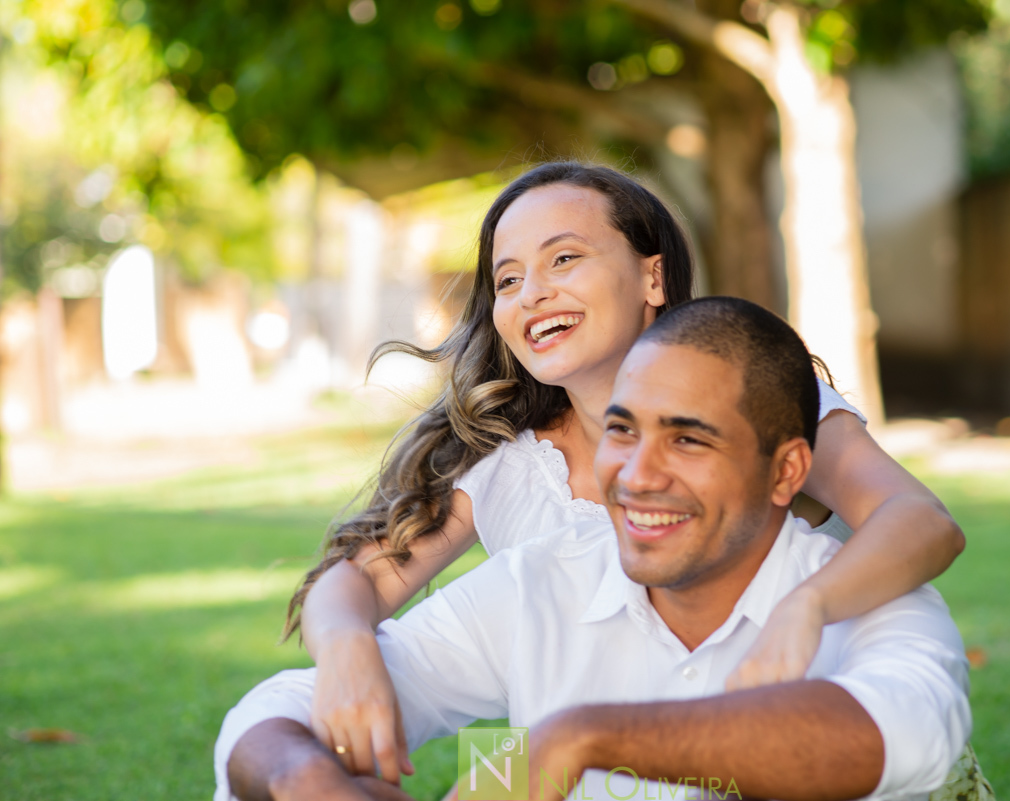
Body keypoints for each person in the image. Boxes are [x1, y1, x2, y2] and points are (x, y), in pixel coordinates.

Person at [290, 162, 968, 783]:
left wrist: (808, 607)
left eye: (563, 258)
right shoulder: (497, 460)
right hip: (591, 764)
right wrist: (349, 647)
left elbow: (921, 521)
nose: (532, 292)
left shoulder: (757, 399)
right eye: (507, 278)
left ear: (653, 277)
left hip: (777, 747)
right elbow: (353, 579)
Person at [217, 297, 971, 801]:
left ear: (786, 471)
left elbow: (903, 732)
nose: (637, 475)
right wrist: (305, 779)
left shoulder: (870, 601)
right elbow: (276, 706)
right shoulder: (546, 576)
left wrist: (580, 737)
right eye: (621, 430)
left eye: (688, 438)